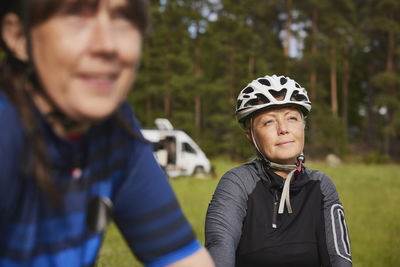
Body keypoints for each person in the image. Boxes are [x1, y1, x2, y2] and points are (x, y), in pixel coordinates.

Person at [0, 0, 215, 266]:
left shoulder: (114, 127)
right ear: (18, 36)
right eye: (75, 13)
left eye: (124, 16)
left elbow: (183, 259)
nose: (108, 44)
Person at [205, 74, 352, 267]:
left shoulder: (322, 186)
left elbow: (339, 260)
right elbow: (219, 245)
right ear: (250, 135)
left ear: (303, 125)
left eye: (291, 118)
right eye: (269, 122)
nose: (283, 129)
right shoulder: (238, 183)